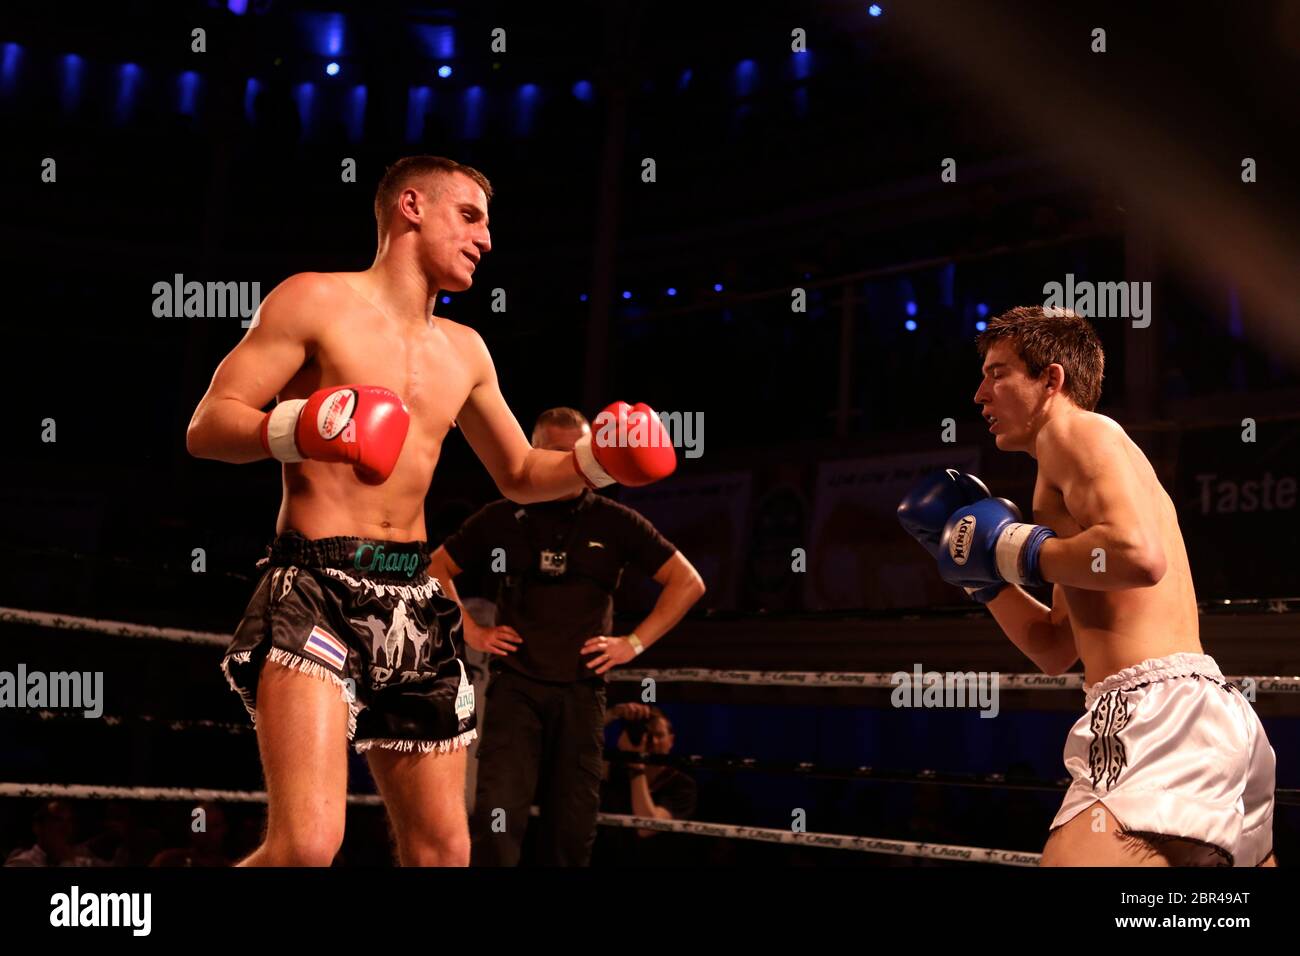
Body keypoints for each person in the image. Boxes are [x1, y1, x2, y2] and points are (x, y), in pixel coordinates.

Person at [186, 155, 677, 866]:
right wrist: (300, 426)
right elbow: (208, 426)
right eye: (470, 216)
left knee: (443, 851)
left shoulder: (466, 350)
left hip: (414, 599)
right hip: (318, 586)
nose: (486, 239)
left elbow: (519, 473)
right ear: (411, 206)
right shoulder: (314, 300)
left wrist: (599, 463)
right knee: (306, 847)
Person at [898, 306, 1275, 866]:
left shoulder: (1077, 432)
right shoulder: (1064, 476)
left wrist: (1011, 549)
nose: (980, 395)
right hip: (1200, 714)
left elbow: (1138, 559)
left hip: (1154, 715)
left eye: (998, 373)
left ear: (1051, 380)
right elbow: (1055, 646)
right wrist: (979, 578)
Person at [427, 407, 705, 866]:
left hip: (582, 691)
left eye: (572, 453)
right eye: (550, 454)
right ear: (533, 454)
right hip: (515, 690)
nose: (561, 465)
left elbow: (688, 582)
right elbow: (434, 569)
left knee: (571, 833)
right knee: (496, 825)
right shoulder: (501, 516)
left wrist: (632, 644)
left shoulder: (616, 521)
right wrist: (470, 631)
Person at [597, 703, 698, 865]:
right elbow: (581, 748)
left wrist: (636, 765)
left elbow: (646, 827)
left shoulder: (683, 785)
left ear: (671, 740)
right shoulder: (616, 769)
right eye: (647, 735)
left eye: (659, 735)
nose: (653, 742)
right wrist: (614, 713)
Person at [4, 801, 98, 867]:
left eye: (69, 821)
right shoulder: (21, 863)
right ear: (38, 827)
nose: (66, 829)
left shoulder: (83, 861)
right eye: (57, 820)